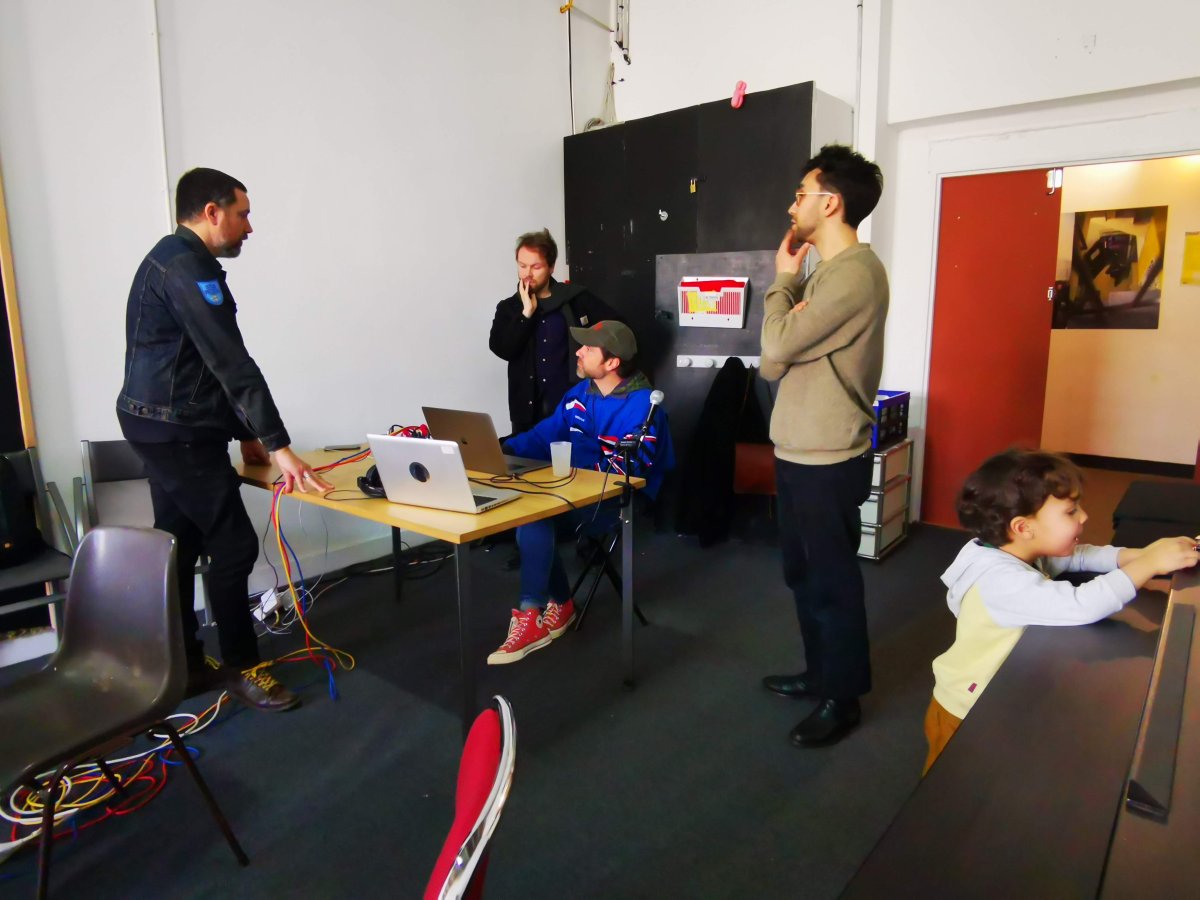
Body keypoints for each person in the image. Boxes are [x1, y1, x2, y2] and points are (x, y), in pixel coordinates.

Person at [117, 167, 333, 712]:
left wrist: (247, 436)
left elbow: (196, 363)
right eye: (243, 214)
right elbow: (230, 363)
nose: (249, 227)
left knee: (179, 543)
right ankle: (243, 667)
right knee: (234, 545)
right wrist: (278, 444)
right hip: (178, 433)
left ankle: (184, 665)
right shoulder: (187, 268)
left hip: (160, 425)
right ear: (211, 213)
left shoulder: (171, 258)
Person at [924, 449, 1198, 773]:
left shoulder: (1012, 547)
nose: (1084, 516)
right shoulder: (999, 580)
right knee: (954, 778)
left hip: (1005, 688)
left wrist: (1140, 554)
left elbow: (1078, 556)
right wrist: (1149, 564)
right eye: (1070, 511)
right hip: (965, 706)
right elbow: (1082, 604)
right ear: (1023, 527)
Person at [758, 144, 889, 748]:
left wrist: (783, 282)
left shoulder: (855, 275)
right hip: (796, 451)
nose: (792, 206)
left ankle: (844, 697)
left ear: (830, 203)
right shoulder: (824, 275)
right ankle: (820, 674)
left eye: (800, 194)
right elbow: (772, 365)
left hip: (829, 459)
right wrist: (791, 304)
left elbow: (777, 346)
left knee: (832, 583)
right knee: (803, 575)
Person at [486, 320, 674, 664]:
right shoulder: (578, 395)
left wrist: (580, 467)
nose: (578, 351)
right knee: (531, 517)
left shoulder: (645, 406)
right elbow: (543, 436)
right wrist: (497, 452)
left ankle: (536, 616)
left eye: (588, 348)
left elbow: (630, 470)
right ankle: (553, 607)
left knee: (536, 517)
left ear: (612, 362)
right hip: (574, 492)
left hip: (616, 501)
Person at [489, 228, 620, 435]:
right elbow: (503, 349)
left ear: (551, 267)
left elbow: (617, 329)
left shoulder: (576, 299)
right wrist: (526, 314)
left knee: (574, 455)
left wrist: (601, 368)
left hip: (573, 407)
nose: (527, 273)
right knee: (525, 454)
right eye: (522, 266)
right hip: (526, 413)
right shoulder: (509, 308)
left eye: (536, 267)